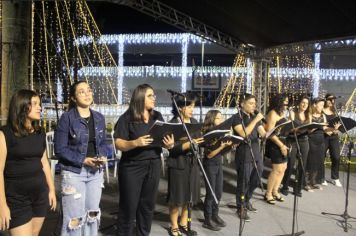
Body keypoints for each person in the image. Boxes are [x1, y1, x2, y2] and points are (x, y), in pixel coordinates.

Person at [114, 84, 174, 236]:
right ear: (140, 97)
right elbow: (118, 142)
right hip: (132, 167)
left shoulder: (157, 117)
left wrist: (169, 144)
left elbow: (164, 138)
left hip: (153, 164)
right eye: (150, 96)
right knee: (129, 207)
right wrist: (135, 143)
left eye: (154, 95)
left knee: (147, 206)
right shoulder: (127, 118)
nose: (154, 98)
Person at [0, 89, 56, 235]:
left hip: (39, 195)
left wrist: (51, 190)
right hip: (16, 198)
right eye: (35, 104)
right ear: (23, 106)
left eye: (39, 103)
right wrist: (2, 205)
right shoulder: (5, 134)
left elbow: (44, 163)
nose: (40, 107)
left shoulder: (39, 132)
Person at [54, 81, 107, 235]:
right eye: (81, 92)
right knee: (75, 219)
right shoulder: (67, 118)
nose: (87, 94)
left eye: (89, 90)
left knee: (92, 214)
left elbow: (103, 143)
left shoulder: (99, 118)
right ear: (73, 98)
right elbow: (60, 149)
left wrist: (102, 155)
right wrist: (83, 160)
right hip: (74, 173)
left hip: (95, 173)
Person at [167, 93, 204, 236]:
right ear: (180, 107)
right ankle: (174, 225)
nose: (191, 109)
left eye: (193, 106)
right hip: (178, 163)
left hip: (192, 163)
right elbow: (171, 148)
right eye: (189, 106)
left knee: (190, 196)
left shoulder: (194, 121)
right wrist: (189, 144)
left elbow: (199, 141)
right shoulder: (173, 123)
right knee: (177, 197)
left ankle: (183, 222)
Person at [232, 94, 266, 221]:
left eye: (254, 103)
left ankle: (247, 200)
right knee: (243, 182)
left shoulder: (253, 117)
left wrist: (271, 132)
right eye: (251, 103)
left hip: (256, 153)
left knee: (256, 179)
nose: (254, 106)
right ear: (242, 104)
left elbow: (263, 133)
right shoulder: (237, 118)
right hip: (244, 154)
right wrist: (256, 120)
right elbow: (243, 133)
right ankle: (240, 207)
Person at [201, 110, 231, 231]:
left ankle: (215, 214)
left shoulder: (220, 133)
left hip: (218, 163)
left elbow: (220, 153)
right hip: (209, 165)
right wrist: (222, 146)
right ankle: (207, 219)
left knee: (218, 192)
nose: (222, 120)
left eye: (222, 117)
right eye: (219, 118)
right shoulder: (208, 134)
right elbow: (209, 155)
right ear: (212, 119)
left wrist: (229, 146)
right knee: (211, 193)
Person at [304, 97, 339, 191]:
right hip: (312, 140)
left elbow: (326, 131)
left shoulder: (322, 116)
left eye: (323, 105)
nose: (322, 107)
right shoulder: (310, 114)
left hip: (321, 140)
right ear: (315, 105)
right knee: (310, 162)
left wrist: (334, 129)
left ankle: (313, 182)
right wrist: (317, 126)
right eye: (320, 105)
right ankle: (306, 183)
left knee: (318, 162)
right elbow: (308, 130)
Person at [280, 96, 311, 197]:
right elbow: (290, 127)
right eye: (303, 102)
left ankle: (298, 188)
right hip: (293, 139)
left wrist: (311, 128)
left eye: (306, 103)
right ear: (299, 103)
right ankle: (285, 186)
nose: (304, 105)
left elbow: (310, 129)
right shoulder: (293, 112)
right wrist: (297, 129)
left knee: (302, 164)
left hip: (304, 140)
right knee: (290, 163)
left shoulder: (308, 114)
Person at [265, 94, 289, 204]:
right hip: (275, 144)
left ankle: (275, 191)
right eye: (285, 102)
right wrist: (281, 145)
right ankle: (268, 193)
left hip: (284, 142)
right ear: (279, 102)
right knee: (276, 169)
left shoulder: (282, 113)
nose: (287, 104)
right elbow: (270, 133)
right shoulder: (272, 114)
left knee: (283, 168)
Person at [322, 93, 342, 187]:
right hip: (324, 136)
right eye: (329, 99)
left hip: (334, 137)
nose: (331, 101)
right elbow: (324, 127)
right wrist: (332, 130)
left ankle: (335, 178)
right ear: (325, 100)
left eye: (333, 99)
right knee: (322, 157)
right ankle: (321, 177)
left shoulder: (335, 111)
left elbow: (338, 124)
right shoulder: (322, 111)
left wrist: (337, 129)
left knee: (336, 157)